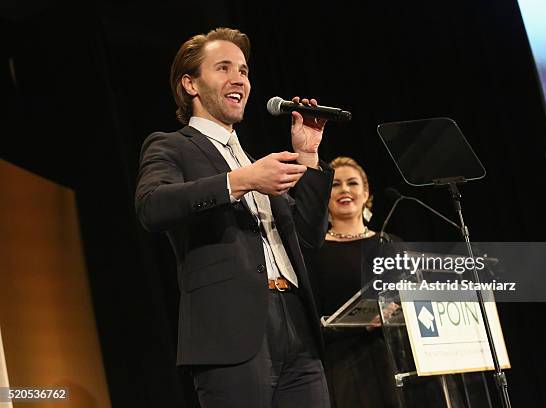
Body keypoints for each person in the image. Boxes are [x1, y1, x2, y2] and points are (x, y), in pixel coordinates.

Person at [135, 27, 333, 408]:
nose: (238, 78)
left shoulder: (253, 160)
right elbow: (152, 206)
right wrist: (239, 181)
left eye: (243, 71)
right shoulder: (172, 146)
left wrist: (307, 155)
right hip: (231, 333)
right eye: (223, 68)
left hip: (297, 325)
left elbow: (309, 237)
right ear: (190, 84)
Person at [305, 156, 400, 408]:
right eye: (335, 185)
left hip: (396, 358)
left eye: (352, 183)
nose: (345, 189)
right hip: (344, 365)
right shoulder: (314, 250)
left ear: (366, 192)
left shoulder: (390, 243)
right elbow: (310, 317)